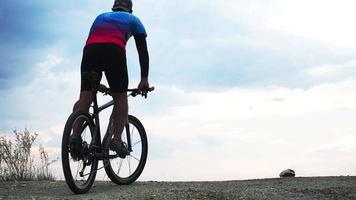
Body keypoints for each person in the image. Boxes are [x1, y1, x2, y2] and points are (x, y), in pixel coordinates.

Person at [71, 0, 150, 158]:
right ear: (130, 10)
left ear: (113, 8)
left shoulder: (101, 17)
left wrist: (96, 82)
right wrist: (144, 79)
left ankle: (74, 137)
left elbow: (98, 45)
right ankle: (117, 140)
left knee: (85, 98)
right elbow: (143, 52)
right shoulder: (134, 20)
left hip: (89, 52)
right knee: (121, 98)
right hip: (114, 51)